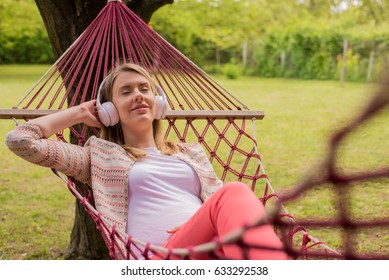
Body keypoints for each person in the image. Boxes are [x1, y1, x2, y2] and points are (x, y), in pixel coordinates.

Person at [6, 63, 289, 260]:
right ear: (109, 111)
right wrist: (79, 112)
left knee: (235, 204)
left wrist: (201, 223)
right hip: (156, 257)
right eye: (126, 91)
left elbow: (219, 206)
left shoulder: (190, 153)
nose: (139, 95)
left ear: (158, 103)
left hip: (208, 247)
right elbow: (21, 141)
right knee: (236, 191)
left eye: (144, 88)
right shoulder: (99, 157)